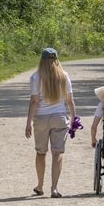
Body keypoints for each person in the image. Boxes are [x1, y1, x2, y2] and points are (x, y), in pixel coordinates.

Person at [25, 48, 76, 198]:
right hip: (60, 117)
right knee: (57, 152)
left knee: (41, 153)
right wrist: (74, 118)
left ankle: (40, 186)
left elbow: (34, 102)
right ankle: (54, 188)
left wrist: (28, 122)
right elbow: (70, 100)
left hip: (41, 118)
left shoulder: (36, 77)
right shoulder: (64, 76)